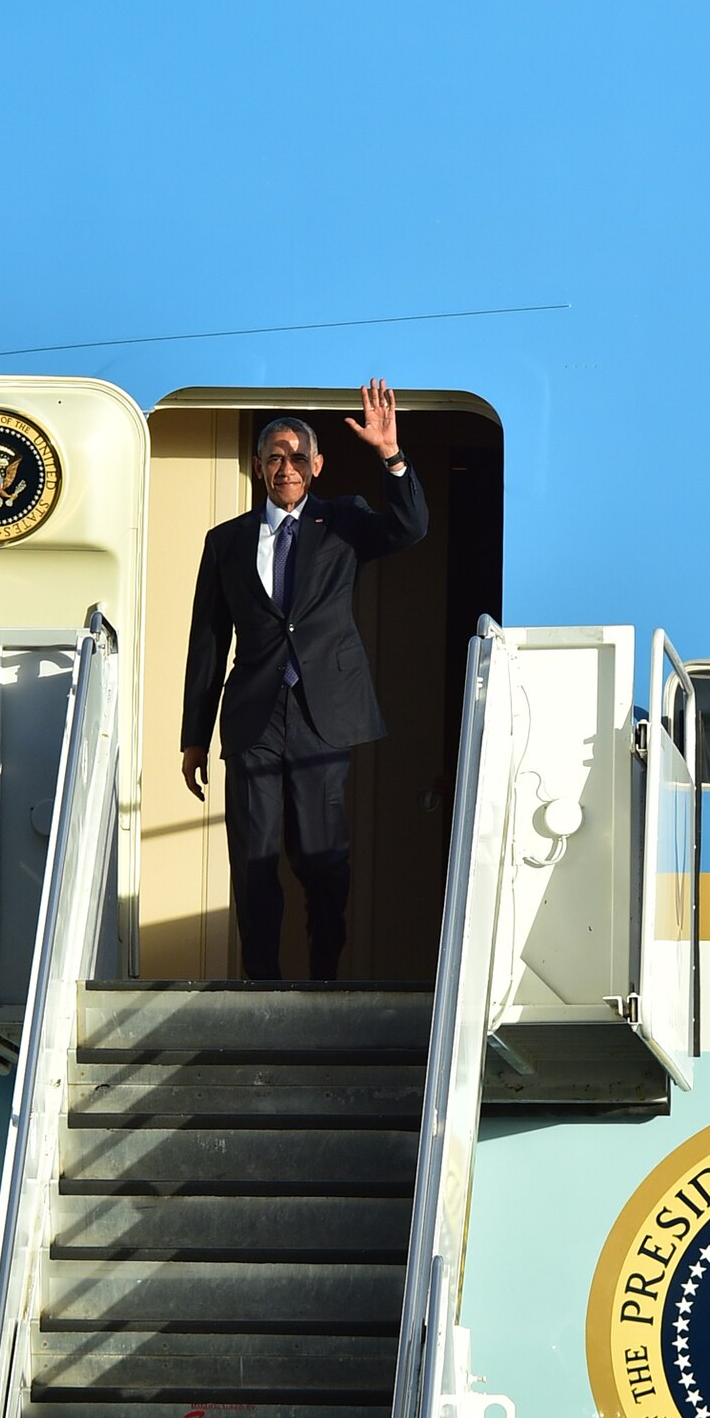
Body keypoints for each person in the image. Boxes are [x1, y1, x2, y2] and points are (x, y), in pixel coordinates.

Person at [180, 379, 428, 979]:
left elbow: (412, 526)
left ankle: (324, 978)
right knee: (254, 858)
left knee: (322, 860)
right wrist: (193, 737)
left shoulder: (343, 521)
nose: (285, 467)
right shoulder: (226, 542)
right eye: (273, 457)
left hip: (323, 714)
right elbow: (208, 641)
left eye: (296, 457)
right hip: (253, 718)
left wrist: (390, 454)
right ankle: (259, 983)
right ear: (258, 467)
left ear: (317, 465)